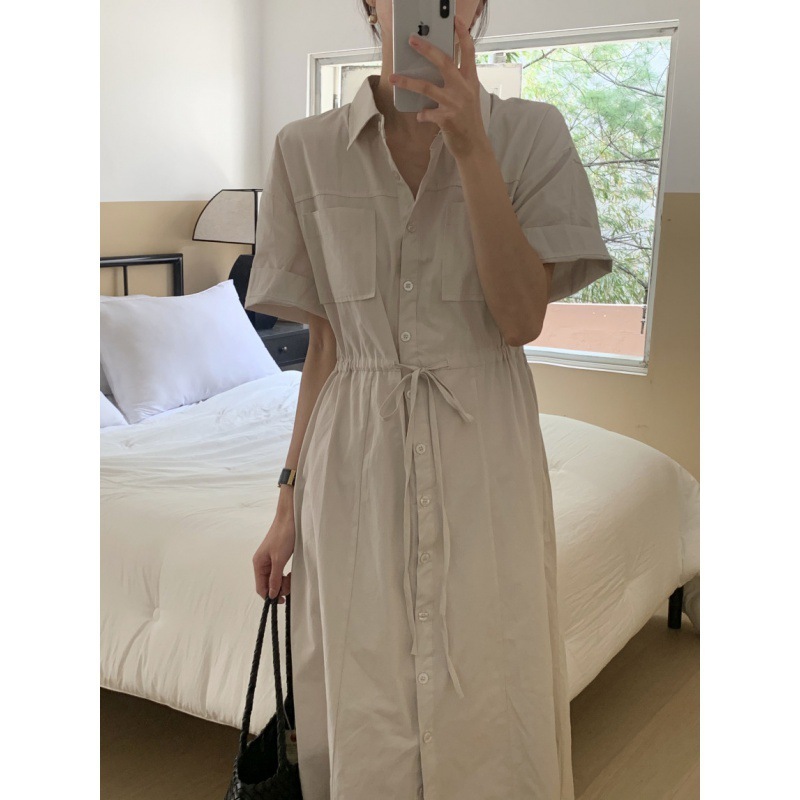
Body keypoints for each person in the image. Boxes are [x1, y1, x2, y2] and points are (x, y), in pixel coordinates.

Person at [245, 2, 613, 798]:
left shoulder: (532, 135)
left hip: (486, 456)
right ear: (369, 4)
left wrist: (473, 148)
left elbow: (520, 319)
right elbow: (326, 347)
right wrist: (286, 502)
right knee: (364, 692)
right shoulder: (304, 151)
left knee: (492, 683)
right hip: (352, 462)